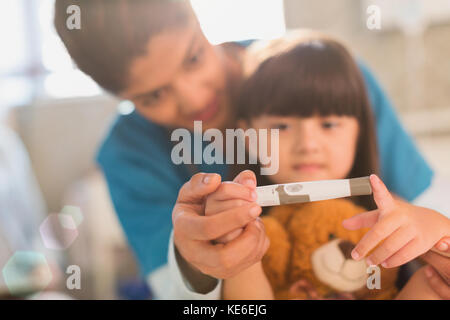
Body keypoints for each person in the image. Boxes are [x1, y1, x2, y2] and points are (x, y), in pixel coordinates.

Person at [54, 0, 448, 299]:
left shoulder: (324, 73)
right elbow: (180, 293)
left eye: (193, 57)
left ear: (196, 15)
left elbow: (431, 218)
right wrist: (204, 263)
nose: (193, 98)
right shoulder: (129, 153)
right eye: (154, 95)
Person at [202, 33, 449, 299]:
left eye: (329, 125)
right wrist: (238, 245)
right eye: (282, 126)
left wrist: (436, 230)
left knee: (433, 281)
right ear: (249, 138)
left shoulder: (389, 209)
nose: (308, 144)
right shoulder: (253, 227)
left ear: (359, 133)